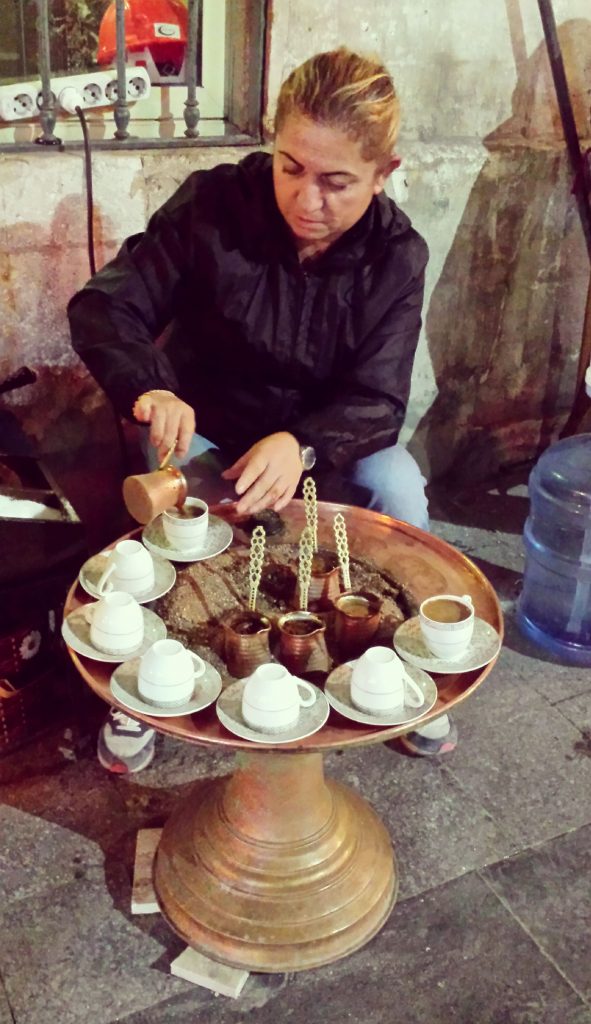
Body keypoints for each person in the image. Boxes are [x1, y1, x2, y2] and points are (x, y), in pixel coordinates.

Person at [68, 47, 456, 771]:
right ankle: (146, 681)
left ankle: (408, 664)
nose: (307, 200)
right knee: (174, 514)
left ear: (384, 172)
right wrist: (152, 387)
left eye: (337, 182)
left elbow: (378, 398)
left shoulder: (396, 255)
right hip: (210, 425)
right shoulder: (214, 206)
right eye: (290, 167)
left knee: (398, 485)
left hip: (326, 439)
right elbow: (106, 304)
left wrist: (302, 444)